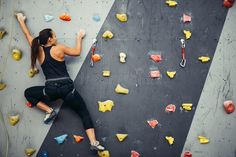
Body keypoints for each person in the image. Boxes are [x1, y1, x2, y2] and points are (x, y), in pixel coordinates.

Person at [16, 13, 104, 151]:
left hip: (50, 90)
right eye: (55, 36)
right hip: (67, 89)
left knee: (28, 93)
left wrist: (20, 20)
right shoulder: (59, 48)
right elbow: (76, 52)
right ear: (50, 39)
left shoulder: (38, 50)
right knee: (83, 112)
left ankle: (49, 110)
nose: (56, 38)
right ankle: (93, 142)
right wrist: (79, 37)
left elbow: (27, 35)